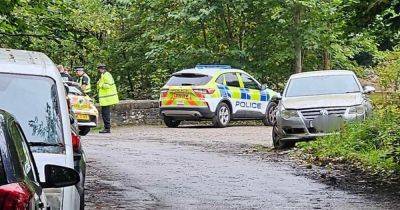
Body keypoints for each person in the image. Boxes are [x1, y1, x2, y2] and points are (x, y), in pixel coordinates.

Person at [97, 64, 119, 133]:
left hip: (107, 99)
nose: (99, 70)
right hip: (105, 99)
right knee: (105, 114)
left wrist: (100, 84)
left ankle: (107, 128)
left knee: (105, 114)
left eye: (99, 69)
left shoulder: (106, 75)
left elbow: (108, 85)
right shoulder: (104, 74)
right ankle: (106, 128)